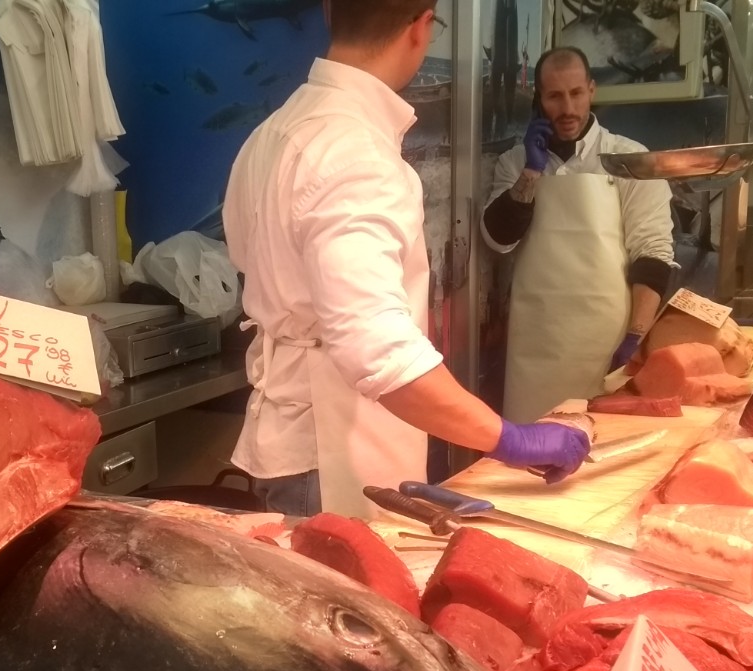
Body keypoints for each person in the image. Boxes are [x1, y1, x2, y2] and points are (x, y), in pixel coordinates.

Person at [223, 0, 593, 518]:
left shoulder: (270, 135)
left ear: (331, 13)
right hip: (327, 456)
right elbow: (377, 348)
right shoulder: (354, 153)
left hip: (286, 441)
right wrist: (508, 438)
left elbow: (247, 259)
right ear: (422, 28)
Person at [479, 47, 675, 421]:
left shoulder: (630, 159)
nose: (567, 108)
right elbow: (497, 240)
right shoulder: (514, 163)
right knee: (526, 464)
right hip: (535, 348)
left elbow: (652, 252)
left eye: (576, 94)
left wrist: (636, 336)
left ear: (592, 90)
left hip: (608, 343)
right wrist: (531, 174)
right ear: (539, 100)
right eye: (554, 96)